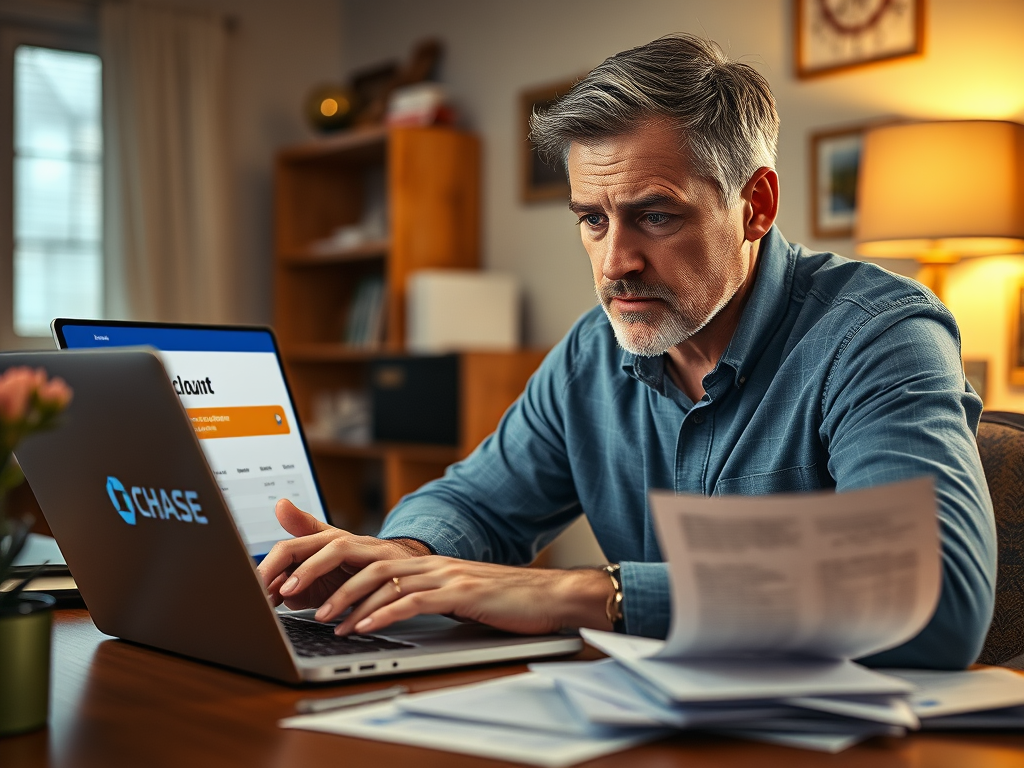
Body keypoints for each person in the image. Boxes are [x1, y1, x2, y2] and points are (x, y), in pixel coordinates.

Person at [259, 34, 995, 668]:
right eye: (592, 219)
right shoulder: (590, 354)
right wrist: (408, 559)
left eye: (654, 215)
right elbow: (476, 501)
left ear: (756, 206)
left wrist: (597, 592)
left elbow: (933, 593)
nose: (615, 263)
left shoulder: (880, 334)